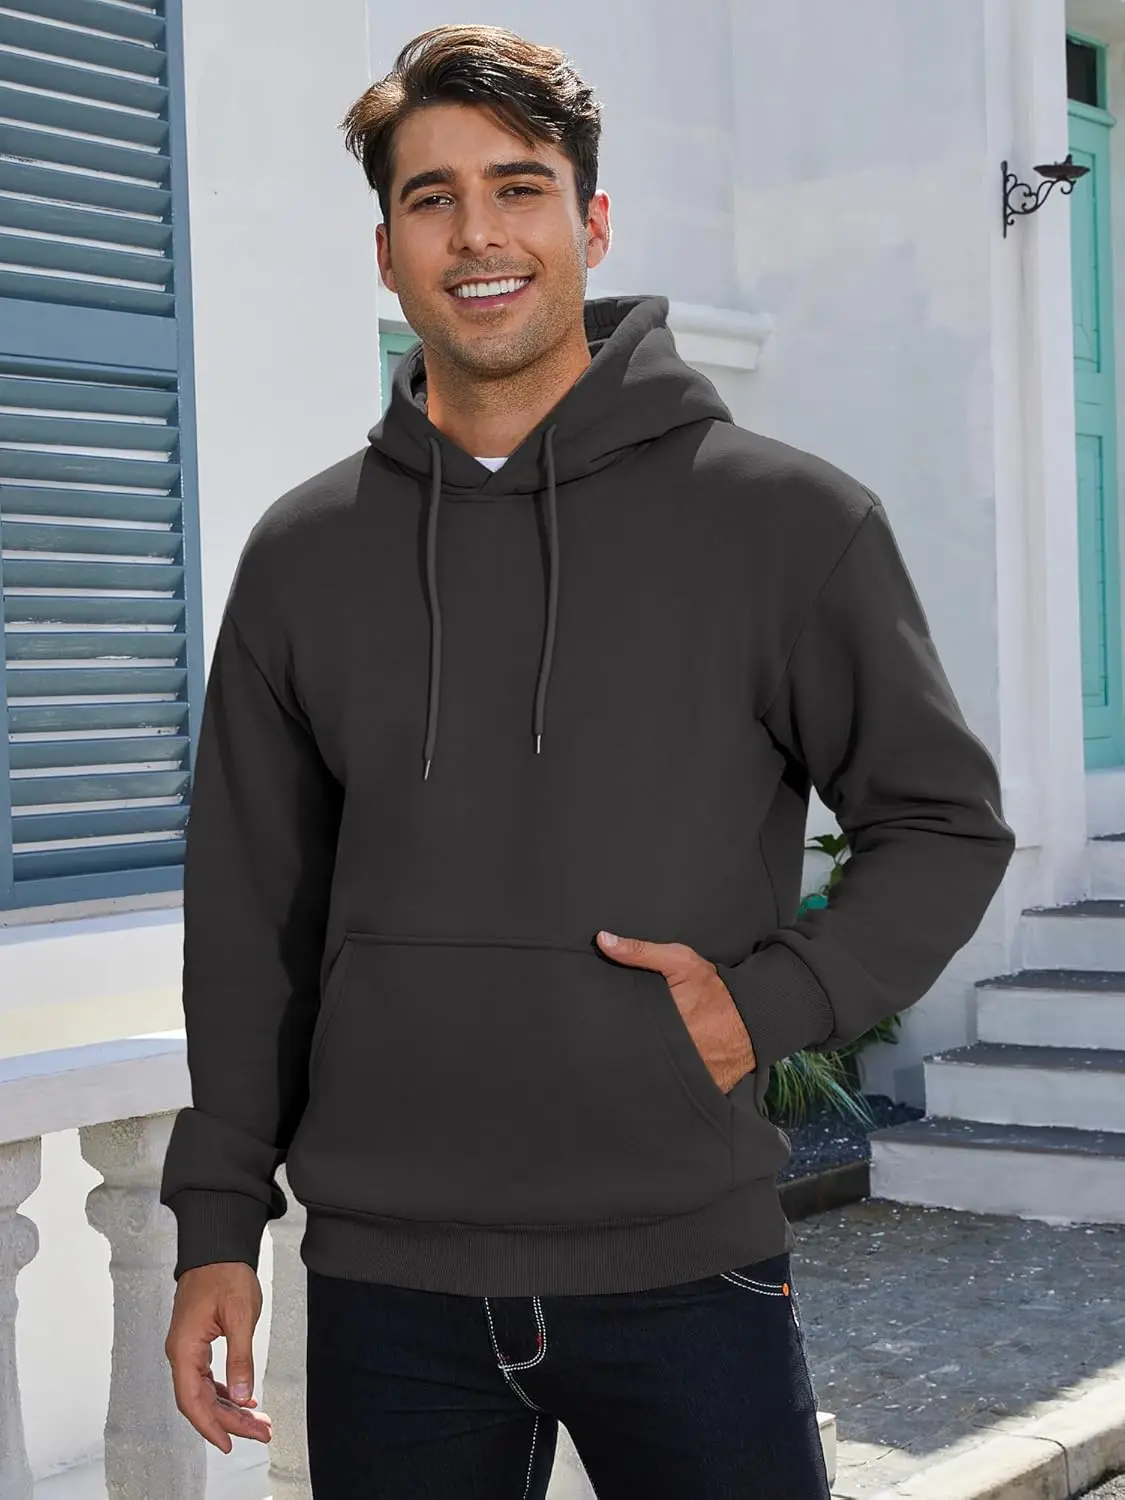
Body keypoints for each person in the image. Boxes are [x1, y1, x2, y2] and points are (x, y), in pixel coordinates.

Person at [161, 22, 1016, 1498]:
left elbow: (943, 824)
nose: (478, 234)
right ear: (385, 252)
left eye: (520, 187)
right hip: (387, 1287)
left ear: (592, 221)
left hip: (686, 1266)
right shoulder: (305, 556)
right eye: (431, 198)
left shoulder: (786, 523)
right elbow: (249, 919)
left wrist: (765, 1008)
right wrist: (218, 1222)